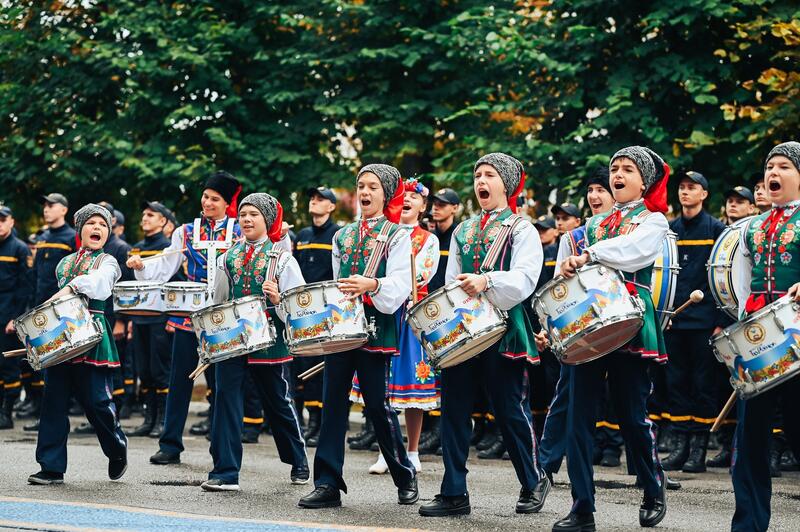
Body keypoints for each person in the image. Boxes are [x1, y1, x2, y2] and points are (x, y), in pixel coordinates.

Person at [419, 152, 550, 518]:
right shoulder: (463, 230)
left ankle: (533, 480)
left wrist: (487, 280)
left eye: (489, 175)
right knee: (454, 410)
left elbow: (525, 279)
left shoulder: (521, 229)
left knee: (508, 409)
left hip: (504, 328)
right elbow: (451, 281)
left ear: (505, 184)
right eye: (478, 175)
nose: (481, 181)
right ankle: (454, 492)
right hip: (463, 330)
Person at [554, 146, 669, 531]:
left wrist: (589, 255)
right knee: (578, 418)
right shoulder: (592, 226)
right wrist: (568, 268)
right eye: (614, 168)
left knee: (632, 414)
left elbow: (635, 253)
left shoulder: (652, 220)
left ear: (645, 181)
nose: (618, 174)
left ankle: (652, 486)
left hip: (629, 319)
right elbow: (572, 273)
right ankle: (581, 507)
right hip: (588, 322)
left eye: (628, 169)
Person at [298, 163, 418, 509]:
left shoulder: (397, 235)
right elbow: (339, 284)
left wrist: (372, 284)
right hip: (342, 328)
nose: (365, 192)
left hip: (376, 327)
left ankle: (404, 474)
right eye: (361, 185)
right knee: (333, 401)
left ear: (387, 194)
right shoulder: (343, 236)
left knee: (377, 405)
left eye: (372, 187)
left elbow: (400, 285)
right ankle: (327, 483)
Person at [128, 171, 244, 465]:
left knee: (221, 384)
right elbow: (164, 267)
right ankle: (170, 445)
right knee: (179, 380)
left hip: (224, 318)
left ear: (227, 203)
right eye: (205, 196)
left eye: (215, 199)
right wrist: (142, 267)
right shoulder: (186, 232)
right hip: (188, 318)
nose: (207, 203)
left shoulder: (240, 231)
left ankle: (220, 447)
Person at [203, 193, 309, 491]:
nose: (247, 220)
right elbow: (220, 300)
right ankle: (225, 472)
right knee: (225, 399)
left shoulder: (282, 259)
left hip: (269, 340)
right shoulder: (227, 258)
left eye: (254, 215)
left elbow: (299, 305)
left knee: (277, 401)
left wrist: (278, 299)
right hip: (233, 341)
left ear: (268, 220)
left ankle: (298, 459)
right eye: (243, 214)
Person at [28, 204, 127, 485]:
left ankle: (116, 447)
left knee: (97, 402)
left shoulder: (108, 262)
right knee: (53, 402)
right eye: (91, 223)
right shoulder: (63, 263)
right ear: (80, 229)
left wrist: (72, 287)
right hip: (61, 338)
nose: (97, 228)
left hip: (93, 335)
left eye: (103, 225)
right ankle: (51, 467)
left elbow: (99, 284)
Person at [730, 141, 800, 532]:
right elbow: (741, 285)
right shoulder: (751, 227)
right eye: (770, 166)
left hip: (798, 337)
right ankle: (748, 525)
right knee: (751, 438)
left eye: (784, 166)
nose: (773, 172)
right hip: (758, 342)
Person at [538, 166, 617, 478]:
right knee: (566, 393)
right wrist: (547, 328)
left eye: (601, 190)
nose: (594, 196)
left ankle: (646, 471)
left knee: (626, 396)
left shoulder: (629, 231)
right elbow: (557, 286)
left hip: (619, 322)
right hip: (579, 327)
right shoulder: (572, 238)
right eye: (591, 190)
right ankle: (545, 465)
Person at [358, 178, 440, 475]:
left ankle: (413, 451)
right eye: (402, 195)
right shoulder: (382, 233)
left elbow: (422, 274)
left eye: (414, 197)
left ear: (423, 206)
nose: (407, 200)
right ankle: (387, 450)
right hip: (382, 314)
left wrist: (388, 281)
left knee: (412, 385)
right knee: (380, 384)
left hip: (410, 317)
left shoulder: (428, 239)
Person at [659, 171, 726, 474]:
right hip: (675, 321)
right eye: (682, 187)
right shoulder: (669, 230)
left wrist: (720, 320)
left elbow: (723, 277)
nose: (685, 192)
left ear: (704, 194)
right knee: (676, 384)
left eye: (692, 187)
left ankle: (698, 449)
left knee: (703, 385)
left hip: (704, 322)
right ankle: (679, 446)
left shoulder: (716, 229)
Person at [20, 194, 76, 432]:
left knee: (59, 366)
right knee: (43, 365)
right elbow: (34, 277)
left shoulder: (72, 237)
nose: (46, 209)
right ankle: (45, 415)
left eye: (51, 205)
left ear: (63, 210)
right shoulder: (42, 238)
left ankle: (60, 416)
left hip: (60, 311)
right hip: (39, 310)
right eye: (44, 205)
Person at [293, 186, 339, 447]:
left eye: (321, 199)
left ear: (331, 206)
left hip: (327, 309)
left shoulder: (337, 235)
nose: (314, 202)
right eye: (312, 198)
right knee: (303, 365)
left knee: (321, 367)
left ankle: (320, 423)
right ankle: (309, 422)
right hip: (303, 308)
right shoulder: (303, 235)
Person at [417, 187, 461, 456]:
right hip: (428, 310)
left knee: (447, 372)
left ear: (455, 208)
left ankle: (442, 432)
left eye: (444, 204)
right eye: (435, 203)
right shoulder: (429, 237)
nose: (437, 207)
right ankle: (430, 428)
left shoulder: (457, 236)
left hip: (450, 310)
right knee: (428, 370)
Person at [126, 201, 174, 438]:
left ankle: (164, 420)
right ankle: (149, 418)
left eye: (151, 215)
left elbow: (176, 282)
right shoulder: (136, 248)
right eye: (144, 214)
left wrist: (173, 318)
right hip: (140, 317)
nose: (145, 218)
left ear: (163, 221)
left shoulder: (169, 248)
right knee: (143, 370)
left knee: (160, 370)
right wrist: (129, 320)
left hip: (160, 318)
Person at [0, 205, 33, 429]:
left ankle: (7, 413)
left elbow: (25, 287)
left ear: (11, 222)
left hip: (9, 316)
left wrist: (16, 318)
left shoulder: (20, 248)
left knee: (8, 365)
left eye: (3, 220)